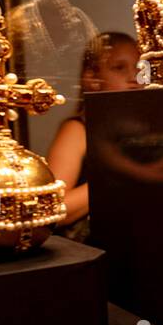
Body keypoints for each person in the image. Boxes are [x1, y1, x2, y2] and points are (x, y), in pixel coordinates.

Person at [47, 32, 141, 240]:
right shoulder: (77, 130)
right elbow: (54, 209)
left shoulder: (139, 128)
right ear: (92, 78)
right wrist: (123, 174)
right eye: (119, 68)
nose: (134, 77)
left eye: (140, 68)